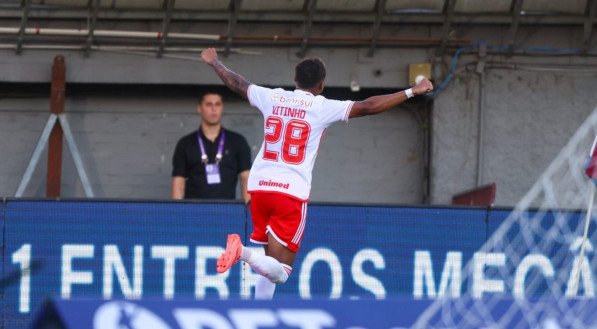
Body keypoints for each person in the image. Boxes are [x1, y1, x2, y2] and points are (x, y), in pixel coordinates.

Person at [200, 47, 433, 299]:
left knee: (267, 265)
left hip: (259, 188)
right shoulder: (320, 107)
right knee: (282, 272)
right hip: (289, 194)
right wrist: (412, 91)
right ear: (321, 85)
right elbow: (369, 106)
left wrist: (215, 62)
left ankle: (256, 316)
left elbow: (237, 83)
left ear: (295, 80)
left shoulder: (272, 97)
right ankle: (242, 252)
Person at [171, 92, 252, 204]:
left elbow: (246, 178)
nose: (214, 109)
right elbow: (178, 181)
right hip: (193, 210)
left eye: (217, 104)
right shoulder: (185, 143)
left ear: (222, 108)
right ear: (199, 108)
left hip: (228, 210)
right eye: (209, 104)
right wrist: (176, 212)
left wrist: (247, 212)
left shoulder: (238, 141)